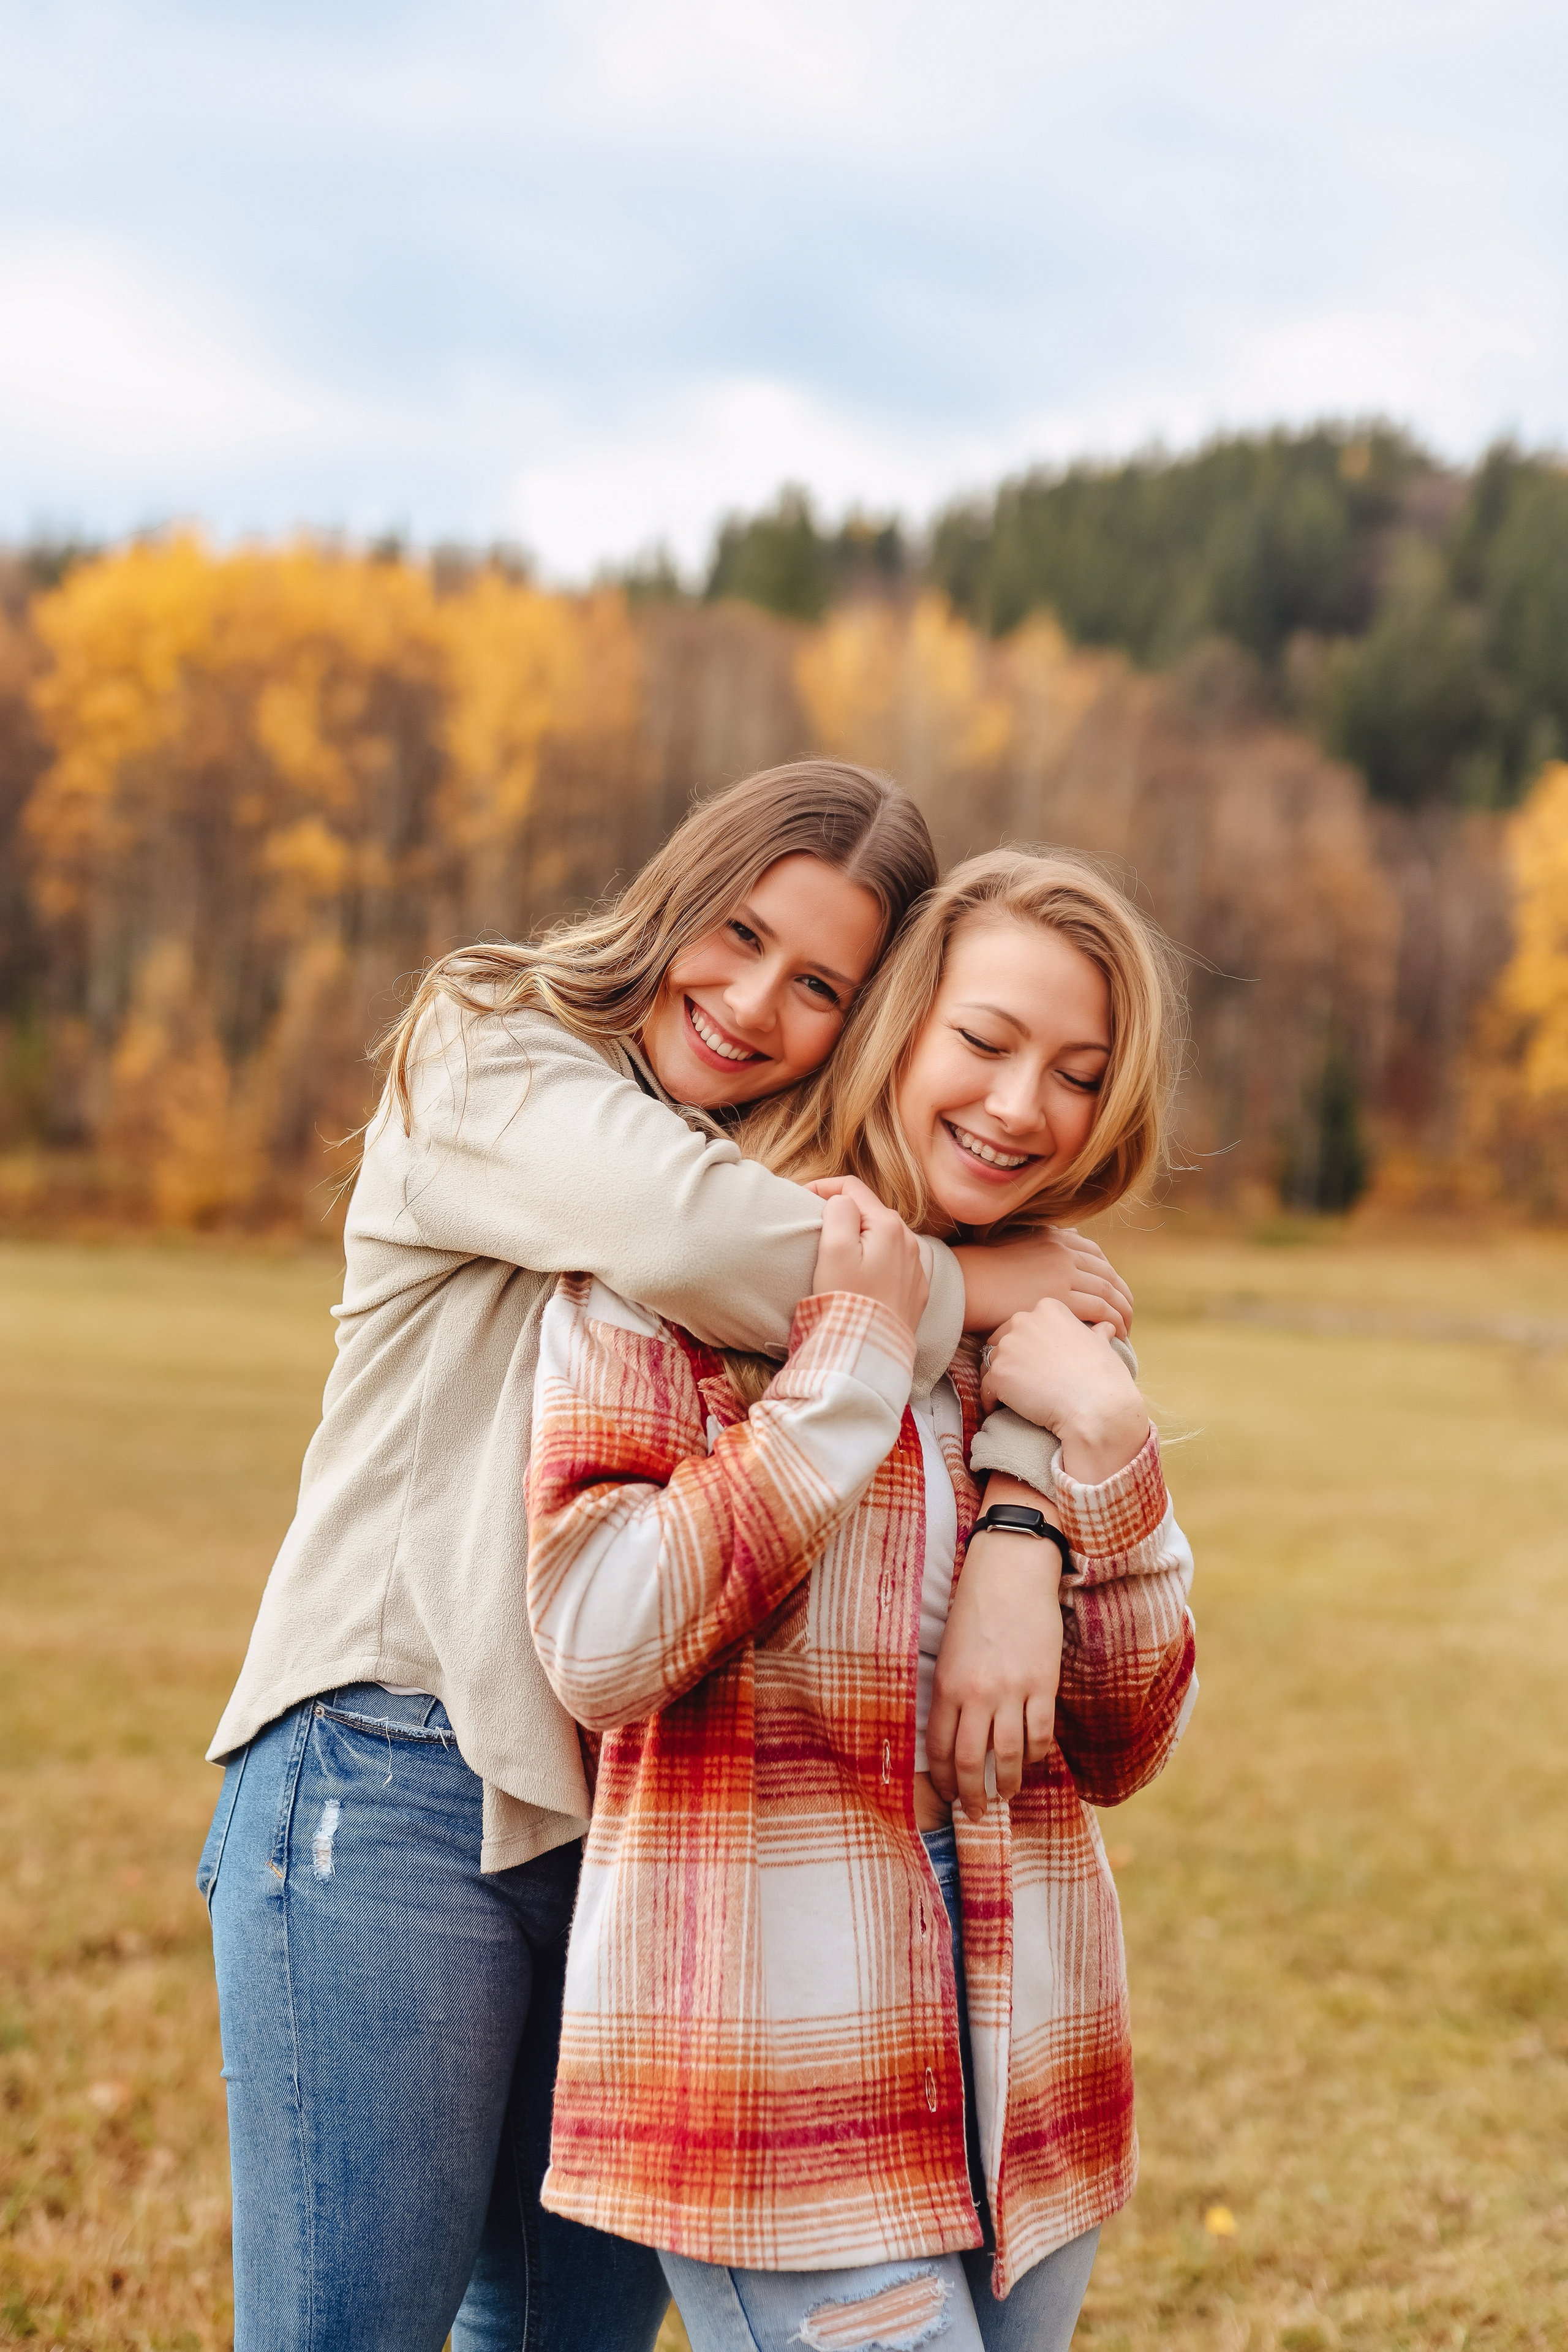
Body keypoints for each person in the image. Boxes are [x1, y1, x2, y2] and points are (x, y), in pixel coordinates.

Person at [195, 766, 1137, 2352]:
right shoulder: (488, 1042)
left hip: (637, 1820)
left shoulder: (773, 1159)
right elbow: (726, 1254)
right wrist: (986, 1275)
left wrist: (1030, 1526)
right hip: (391, 1761)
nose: (757, 1000)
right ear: (676, 893)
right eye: (739, 931)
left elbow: (967, 1357)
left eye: (824, 982)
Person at [525, 849, 1198, 2352]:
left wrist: (1091, 1463)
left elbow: (1123, 1746)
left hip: (1030, 2065)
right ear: (897, 1022)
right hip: (783, 2073)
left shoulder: (1053, 1335)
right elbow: (596, 1641)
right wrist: (845, 1363)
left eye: (1077, 1075)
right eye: (984, 1042)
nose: (1022, 1108)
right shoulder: (686, 1278)